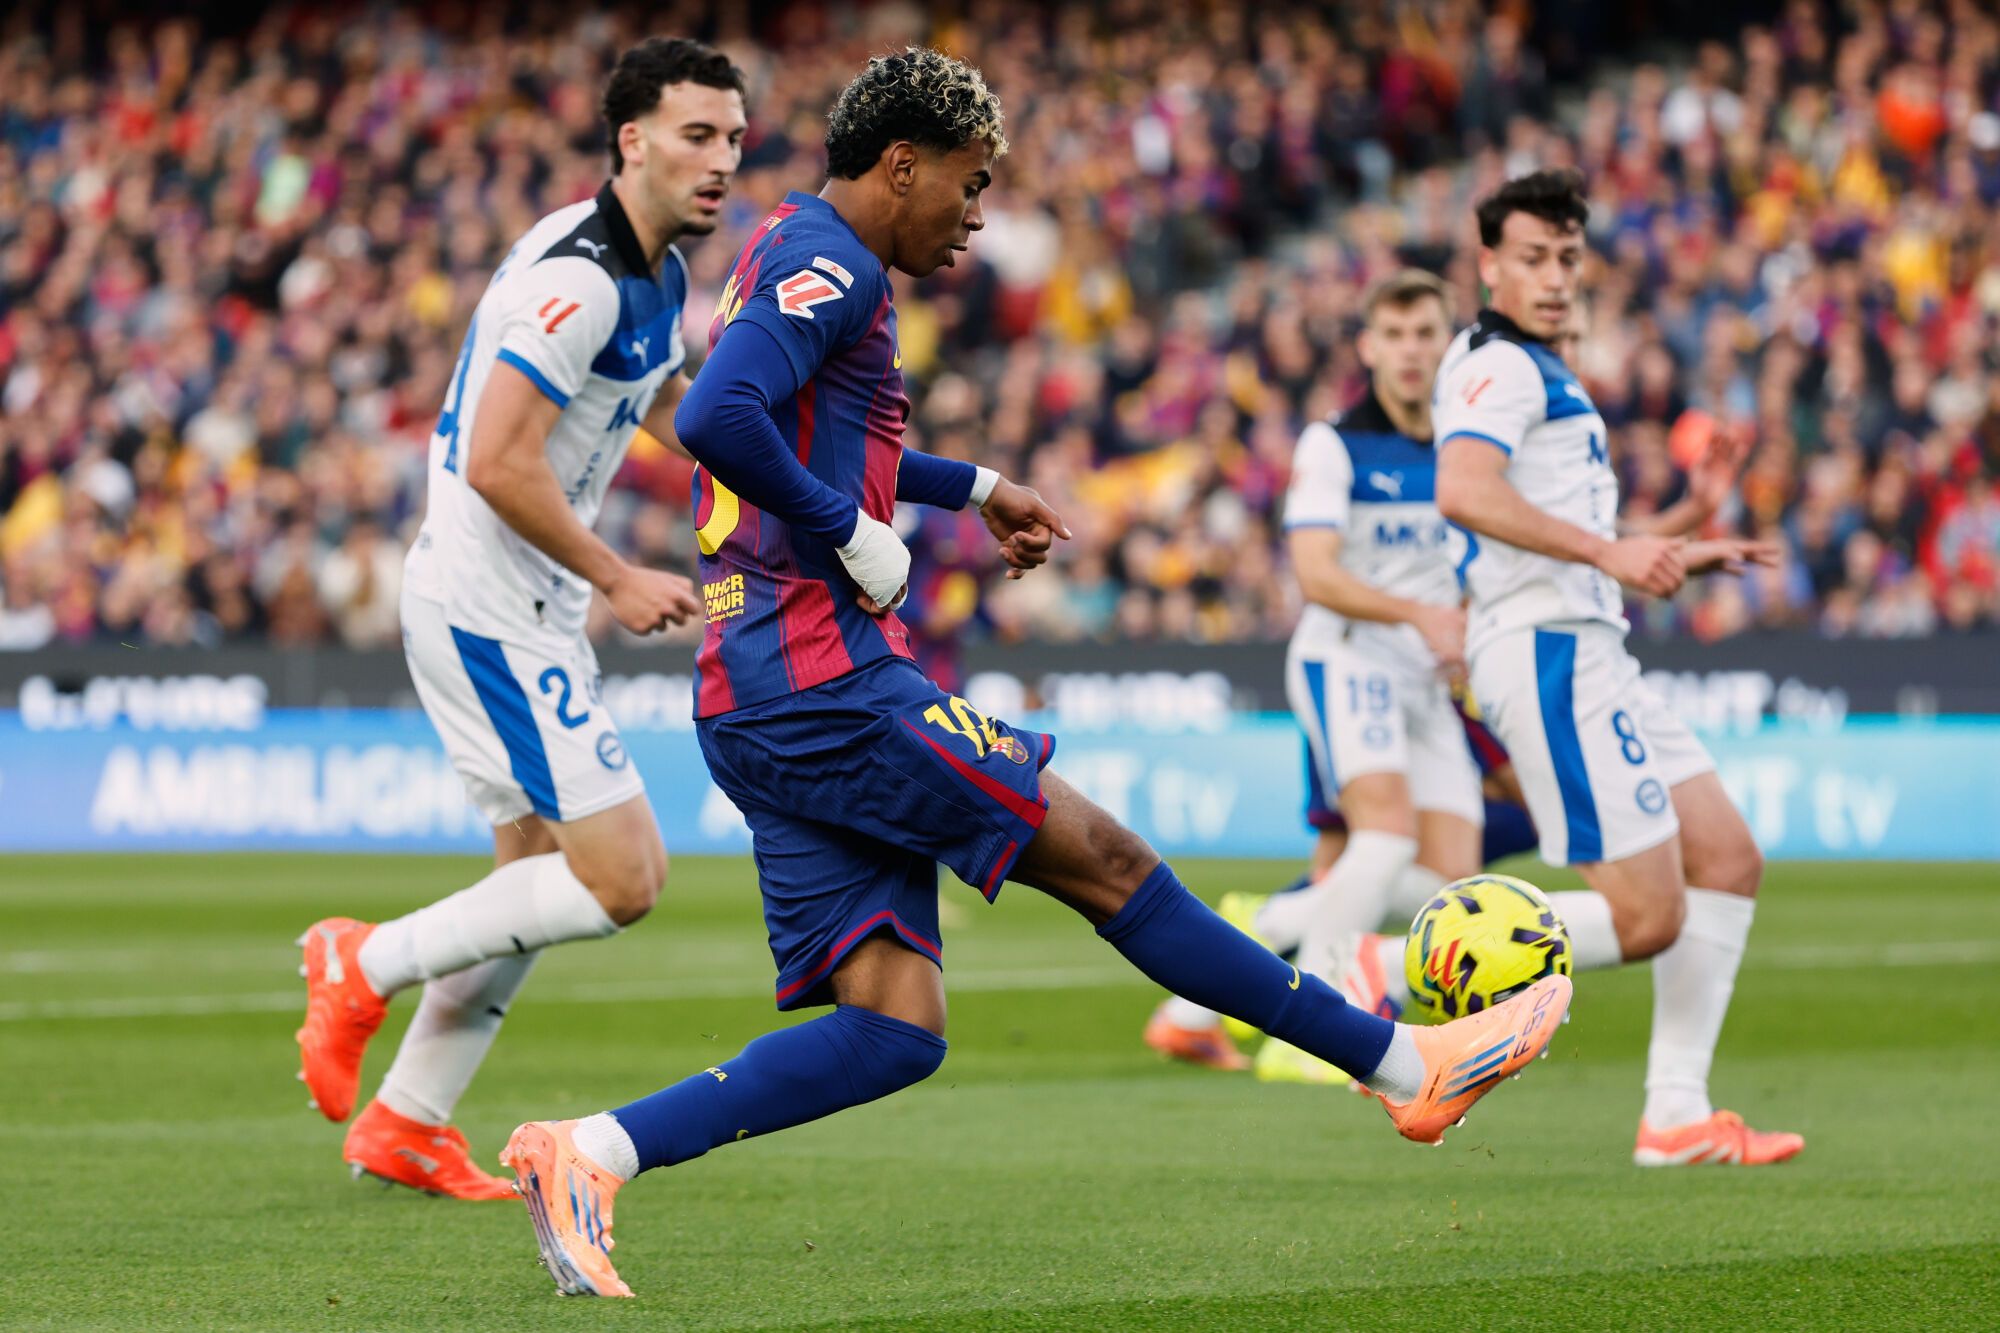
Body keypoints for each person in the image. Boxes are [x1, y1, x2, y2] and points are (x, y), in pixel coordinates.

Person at [493, 49, 1572, 1299]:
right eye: (967, 182)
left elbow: (801, 430)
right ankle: (1401, 1068)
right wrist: (851, 535)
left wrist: (970, 487)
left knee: (893, 1028)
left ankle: (591, 1152)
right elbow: (718, 417)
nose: (977, 213)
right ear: (901, 166)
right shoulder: (828, 262)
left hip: (756, 690)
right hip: (821, 676)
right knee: (1108, 863)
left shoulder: (793, 243)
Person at [292, 38, 747, 1198]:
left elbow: (651, 399)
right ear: (631, 140)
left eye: (734, 140)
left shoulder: (652, 273)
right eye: (698, 136)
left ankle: (406, 1118)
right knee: (624, 876)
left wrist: (771, 481)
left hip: (502, 598)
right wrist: (616, 575)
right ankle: (364, 958)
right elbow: (499, 459)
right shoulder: (583, 276)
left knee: (527, 879)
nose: (722, 162)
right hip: (494, 605)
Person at [1432, 169, 1802, 1167]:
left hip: (1589, 643)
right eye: (1530, 258)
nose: (1552, 277)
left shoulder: (1536, 372)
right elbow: (1462, 489)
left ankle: (1674, 1112)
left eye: (1565, 258)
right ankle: (1388, 964)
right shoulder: (1500, 368)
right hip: (1550, 651)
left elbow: (1574, 532)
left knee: (1725, 856)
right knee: (1647, 912)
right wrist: (1607, 555)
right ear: (1487, 264)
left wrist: (1684, 523)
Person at [1146, 271, 1488, 1082]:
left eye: (1425, 334)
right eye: (1395, 335)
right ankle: (1327, 1024)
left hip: (1424, 674)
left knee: (1446, 880)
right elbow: (1315, 573)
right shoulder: (1335, 442)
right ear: (1369, 347)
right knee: (1385, 835)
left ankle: (1219, 975)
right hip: (1348, 657)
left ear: (1448, 345)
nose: (1411, 351)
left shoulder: (1463, 447)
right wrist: (1421, 617)